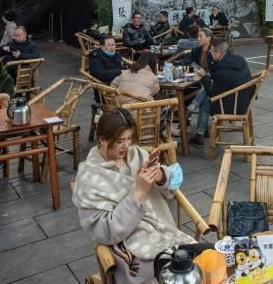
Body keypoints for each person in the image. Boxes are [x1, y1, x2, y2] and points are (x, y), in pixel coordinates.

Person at [74, 108, 191, 284]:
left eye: (129, 138)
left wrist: (159, 176)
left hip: (162, 231)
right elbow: (104, 231)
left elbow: (169, 189)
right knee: (173, 272)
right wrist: (139, 191)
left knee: (198, 261)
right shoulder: (89, 175)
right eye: (120, 141)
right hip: (128, 244)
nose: (126, 146)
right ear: (102, 139)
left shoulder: (138, 154)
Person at [189, 38, 252, 145]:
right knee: (208, 90)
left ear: (218, 53)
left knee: (206, 103)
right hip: (244, 97)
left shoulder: (224, 69)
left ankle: (199, 134)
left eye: (211, 51)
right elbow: (217, 79)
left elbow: (212, 93)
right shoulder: (237, 58)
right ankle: (191, 111)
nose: (210, 53)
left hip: (235, 105)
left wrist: (204, 76)